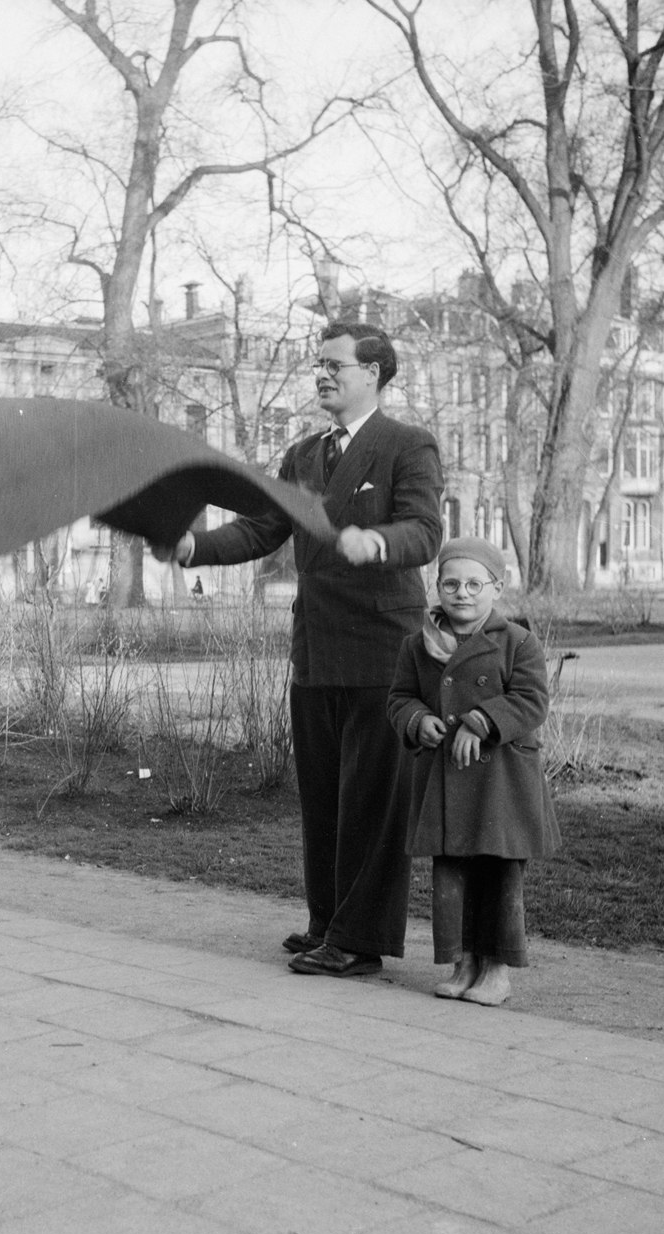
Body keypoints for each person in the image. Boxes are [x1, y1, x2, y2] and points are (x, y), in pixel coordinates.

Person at [154, 322, 442, 977]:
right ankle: (327, 922)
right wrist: (198, 546)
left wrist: (381, 543)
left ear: (374, 373)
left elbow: (425, 531)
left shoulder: (407, 445)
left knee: (371, 798)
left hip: (382, 652)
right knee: (323, 795)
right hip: (315, 649)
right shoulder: (304, 454)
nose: (322, 375)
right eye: (318, 365)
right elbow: (265, 527)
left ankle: (360, 942)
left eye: (335, 366)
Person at [387, 537, 559, 1006]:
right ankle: (463, 964)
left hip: (500, 784)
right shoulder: (417, 646)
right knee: (452, 873)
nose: (461, 593)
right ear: (436, 586)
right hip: (447, 783)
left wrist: (480, 723)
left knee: (500, 876)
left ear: (496, 588)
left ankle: (497, 971)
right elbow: (400, 699)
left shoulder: (517, 642)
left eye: (473, 584)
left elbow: (531, 700)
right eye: (450, 583)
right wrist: (417, 721)